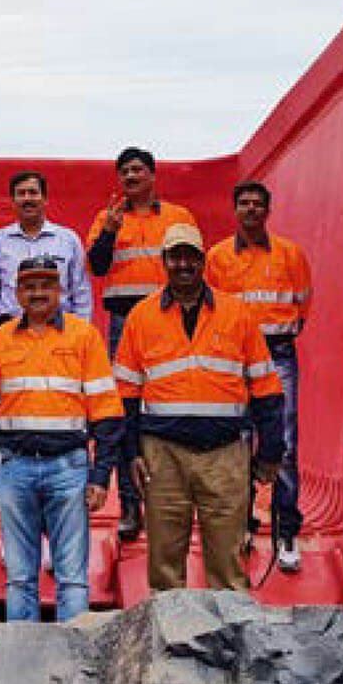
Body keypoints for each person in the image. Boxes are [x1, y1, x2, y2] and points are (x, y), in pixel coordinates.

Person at [114, 223, 284, 591]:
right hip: (162, 456)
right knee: (164, 567)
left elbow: (266, 388)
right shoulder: (140, 318)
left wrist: (271, 450)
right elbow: (124, 396)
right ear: (164, 261)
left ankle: (229, 644)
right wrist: (129, 453)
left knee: (227, 566)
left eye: (190, 256)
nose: (183, 264)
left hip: (225, 455)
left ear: (202, 260)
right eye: (175, 256)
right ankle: (168, 645)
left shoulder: (238, 314)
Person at [0, 254, 123, 623]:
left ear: (60, 290)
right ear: (17, 293)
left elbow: (107, 411)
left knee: (72, 580)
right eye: (29, 286)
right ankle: (23, 670)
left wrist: (100, 475)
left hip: (69, 468)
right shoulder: (2, 341)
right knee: (19, 579)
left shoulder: (84, 337)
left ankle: (72, 669)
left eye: (46, 285)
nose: (38, 293)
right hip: (14, 468)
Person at [85, 147, 197, 542]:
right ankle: (130, 504)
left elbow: (194, 265)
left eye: (137, 170)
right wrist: (111, 230)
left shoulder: (178, 217)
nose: (130, 176)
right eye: (124, 171)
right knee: (124, 408)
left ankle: (172, 501)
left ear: (152, 175)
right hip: (124, 320)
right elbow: (96, 266)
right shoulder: (107, 218)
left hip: (168, 317)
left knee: (172, 399)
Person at [205, 181, 313, 574]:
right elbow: (211, 310)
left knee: (283, 443)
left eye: (257, 204)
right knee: (238, 443)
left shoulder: (290, 254)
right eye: (243, 203)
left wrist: (277, 336)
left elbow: (302, 306)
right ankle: (242, 528)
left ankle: (286, 532)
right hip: (234, 358)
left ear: (268, 210)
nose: (250, 210)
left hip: (279, 353)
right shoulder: (217, 258)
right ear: (235, 210)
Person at [0, 171, 93, 332]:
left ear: (45, 199)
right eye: (21, 194)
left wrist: (81, 333)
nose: (27, 198)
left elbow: (81, 293)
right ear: (13, 201)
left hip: (60, 331)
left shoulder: (68, 240)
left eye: (33, 193)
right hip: (11, 332)